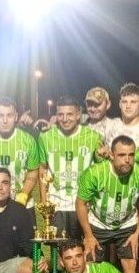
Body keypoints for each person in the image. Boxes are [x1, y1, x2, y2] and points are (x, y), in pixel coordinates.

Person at [76, 135, 139, 273]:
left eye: (131, 155)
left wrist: (137, 233)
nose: (127, 160)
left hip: (127, 224)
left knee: (131, 267)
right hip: (98, 223)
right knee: (90, 267)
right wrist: (88, 236)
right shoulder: (94, 173)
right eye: (122, 155)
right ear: (111, 155)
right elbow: (80, 203)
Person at [36, 95, 103, 240]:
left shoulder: (93, 137)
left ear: (78, 114)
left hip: (84, 204)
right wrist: (44, 201)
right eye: (60, 114)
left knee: (83, 247)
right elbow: (43, 168)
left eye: (69, 114)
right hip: (56, 205)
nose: (65, 119)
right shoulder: (45, 137)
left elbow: (100, 170)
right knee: (58, 248)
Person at [97, 83, 139, 151]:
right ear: (120, 104)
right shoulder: (108, 126)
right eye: (124, 102)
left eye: (133, 102)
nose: (128, 106)